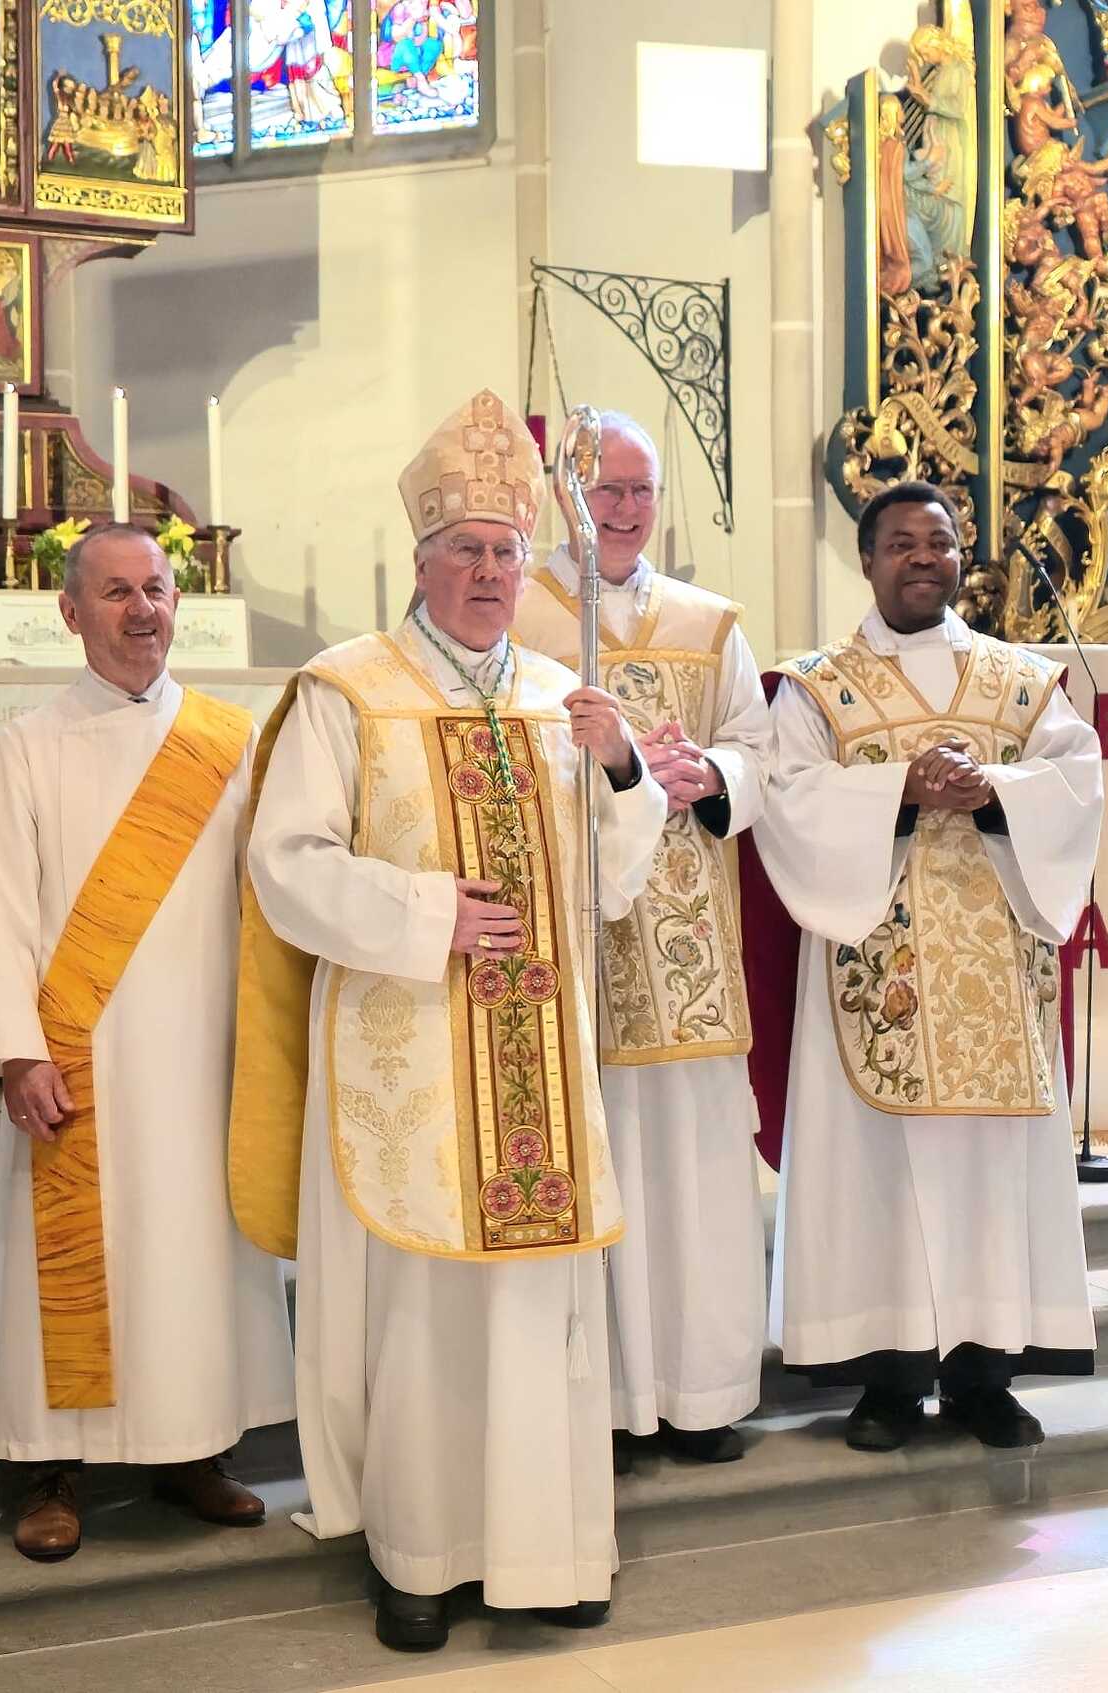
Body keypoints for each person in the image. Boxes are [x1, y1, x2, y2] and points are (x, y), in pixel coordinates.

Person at [234, 389, 668, 1652]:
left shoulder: (562, 696)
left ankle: (548, 1552)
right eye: (466, 550)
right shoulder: (346, 690)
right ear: (420, 560)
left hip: (538, 1063)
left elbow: (615, 879)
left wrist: (622, 767)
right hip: (410, 1056)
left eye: (506, 552)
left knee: (538, 1311)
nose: (488, 572)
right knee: (424, 1317)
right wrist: (427, 914)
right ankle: (419, 1556)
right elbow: (287, 863)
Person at [0, 524, 295, 1561]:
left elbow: (273, 899)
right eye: (116, 592)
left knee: (195, 1253)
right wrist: (18, 1049)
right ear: (70, 613)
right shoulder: (26, 747)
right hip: (80, 1057)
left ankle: (194, 1448)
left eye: (155, 588)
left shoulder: (231, 742)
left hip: (203, 1055)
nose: (142, 609)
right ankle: (49, 1469)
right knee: (73, 1263)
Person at [754, 480, 1101, 1453]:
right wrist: (897, 792)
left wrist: (998, 790)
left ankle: (985, 1377)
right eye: (901, 542)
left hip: (996, 973)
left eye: (939, 542)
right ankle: (889, 1379)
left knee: (990, 1174)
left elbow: (1076, 782)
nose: (922, 557)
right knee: (877, 1173)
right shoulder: (818, 687)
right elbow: (787, 797)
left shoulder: (1020, 682)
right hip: (878, 974)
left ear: (960, 557)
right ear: (866, 560)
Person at [512, 411, 771, 1471]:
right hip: (572, 927)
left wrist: (713, 773)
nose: (623, 510)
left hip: (688, 933)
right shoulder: (515, 607)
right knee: (600, 1158)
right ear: (565, 496)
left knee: (693, 1171)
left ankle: (701, 1392)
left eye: (640, 490)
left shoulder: (710, 623)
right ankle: (612, 1404)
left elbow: (758, 746)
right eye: (604, 489)